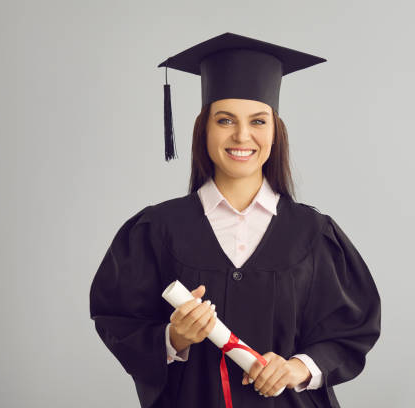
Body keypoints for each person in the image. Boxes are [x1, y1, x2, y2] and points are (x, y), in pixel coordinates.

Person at [89, 32, 381, 408]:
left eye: (258, 121)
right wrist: (174, 337)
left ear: (275, 132)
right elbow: (118, 320)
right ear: (204, 130)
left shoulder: (313, 233)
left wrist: (298, 367)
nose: (242, 135)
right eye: (225, 120)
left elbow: (351, 331)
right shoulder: (157, 230)